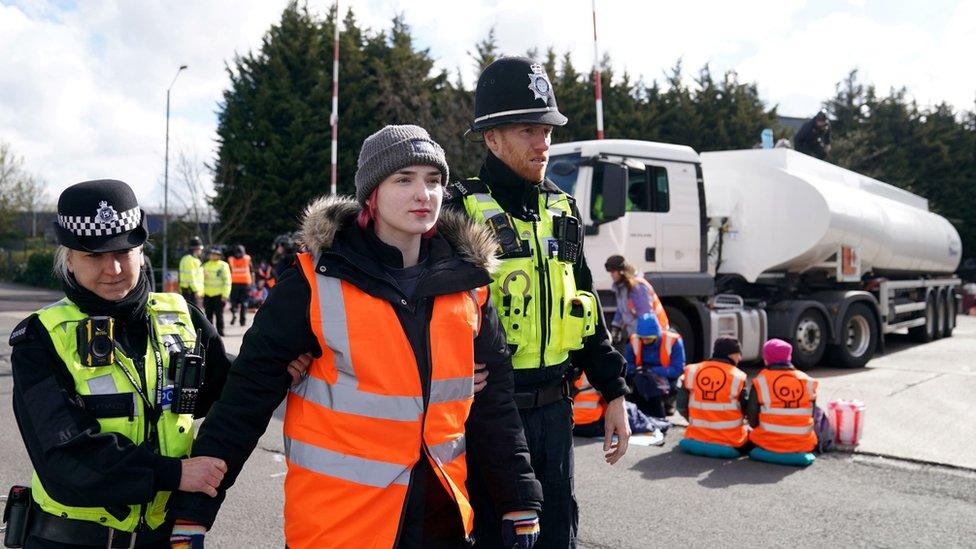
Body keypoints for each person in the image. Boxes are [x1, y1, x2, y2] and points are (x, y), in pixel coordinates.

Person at [168, 125, 543, 549]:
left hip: (440, 520)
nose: (424, 194)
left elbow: (495, 402)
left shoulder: (469, 285)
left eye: (434, 180)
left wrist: (519, 498)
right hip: (340, 526)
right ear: (371, 193)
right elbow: (244, 400)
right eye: (404, 179)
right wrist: (193, 513)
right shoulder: (315, 280)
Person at [444, 56, 630, 548]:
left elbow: (583, 305)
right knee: (494, 536)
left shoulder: (562, 209)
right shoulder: (457, 211)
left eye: (547, 129)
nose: (543, 142)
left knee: (556, 536)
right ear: (491, 138)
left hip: (555, 414)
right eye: (528, 129)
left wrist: (614, 392)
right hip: (487, 418)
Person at [7, 179, 232, 548]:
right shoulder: (39, 338)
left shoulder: (183, 318)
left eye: (124, 251)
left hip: (163, 538)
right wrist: (173, 474)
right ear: (68, 257)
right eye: (94, 256)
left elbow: (230, 395)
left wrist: (280, 360)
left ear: (142, 250)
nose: (113, 268)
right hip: (70, 541)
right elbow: (65, 461)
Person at [677, 337, 750, 454]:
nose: (740, 358)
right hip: (730, 441)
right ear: (731, 355)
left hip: (695, 437)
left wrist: (694, 421)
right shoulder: (738, 376)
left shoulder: (691, 370)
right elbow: (747, 409)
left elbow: (681, 405)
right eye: (738, 354)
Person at [747, 338, 819, 454]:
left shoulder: (761, 381)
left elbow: (752, 419)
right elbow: (812, 415)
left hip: (766, 444)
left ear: (767, 359)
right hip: (804, 445)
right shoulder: (808, 381)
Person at [624, 313, 685, 418]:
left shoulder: (673, 341)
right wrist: (637, 371)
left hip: (665, 377)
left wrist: (653, 371)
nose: (645, 341)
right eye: (642, 338)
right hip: (641, 377)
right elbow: (627, 366)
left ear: (656, 335)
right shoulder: (634, 340)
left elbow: (678, 369)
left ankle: (668, 403)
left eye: (649, 338)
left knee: (673, 384)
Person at [605, 254, 668, 346]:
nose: (611, 275)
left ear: (621, 272)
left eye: (613, 271)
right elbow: (621, 308)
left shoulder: (637, 288)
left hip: (650, 335)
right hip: (637, 334)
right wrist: (616, 326)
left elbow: (645, 314)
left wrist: (643, 337)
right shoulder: (622, 288)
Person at [202, 248, 231, 336]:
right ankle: (209, 332)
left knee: (219, 315)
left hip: (219, 295)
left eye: (216, 254)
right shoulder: (205, 265)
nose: (213, 256)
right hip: (207, 294)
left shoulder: (223, 266)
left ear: (219, 255)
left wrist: (225, 295)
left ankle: (220, 331)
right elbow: (200, 279)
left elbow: (227, 281)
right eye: (212, 254)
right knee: (208, 315)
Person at [227, 244, 253, 327]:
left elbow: (229, 271)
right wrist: (253, 282)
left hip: (234, 282)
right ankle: (243, 321)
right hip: (246, 282)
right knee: (244, 302)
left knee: (233, 301)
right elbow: (252, 271)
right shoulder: (247, 258)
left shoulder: (231, 259)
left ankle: (234, 312)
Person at [179, 236, 205, 308]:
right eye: (200, 249)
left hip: (191, 291)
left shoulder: (192, 259)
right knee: (193, 313)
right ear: (196, 249)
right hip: (191, 291)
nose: (201, 251)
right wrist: (196, 290)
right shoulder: (190, 260)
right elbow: (191, 277)